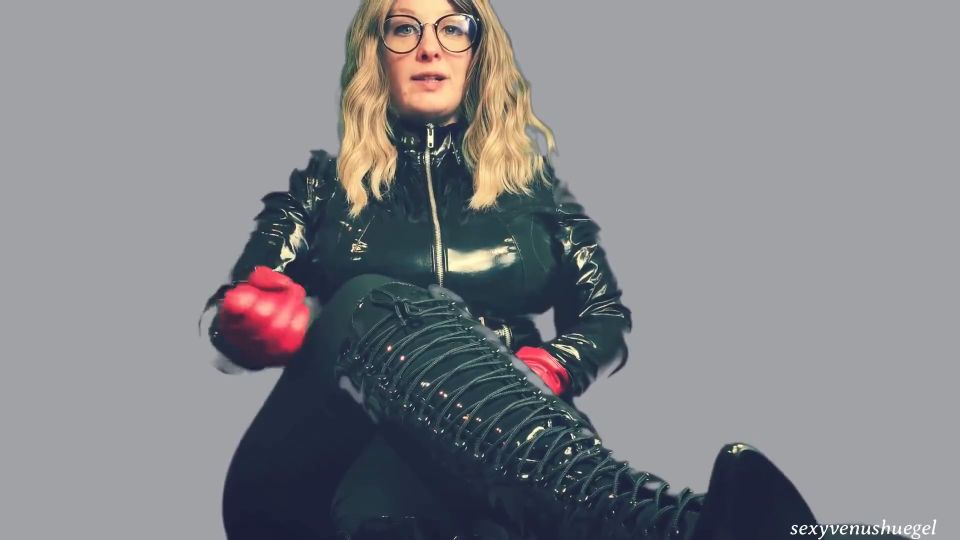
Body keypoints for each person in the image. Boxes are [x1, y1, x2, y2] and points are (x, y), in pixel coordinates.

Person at [199, 1, 907, 539]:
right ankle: (670, 525)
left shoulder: (535, 197)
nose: (428, 47)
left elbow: (603, 315)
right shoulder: (322, 189)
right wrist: (240, 322)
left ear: (480, 55)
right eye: (402, 29)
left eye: (453, 28)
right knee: (371, 299)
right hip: (312, 466)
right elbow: (235, 302)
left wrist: (551, 366)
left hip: (500, 469)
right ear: (373, 55)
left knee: (423, 507)